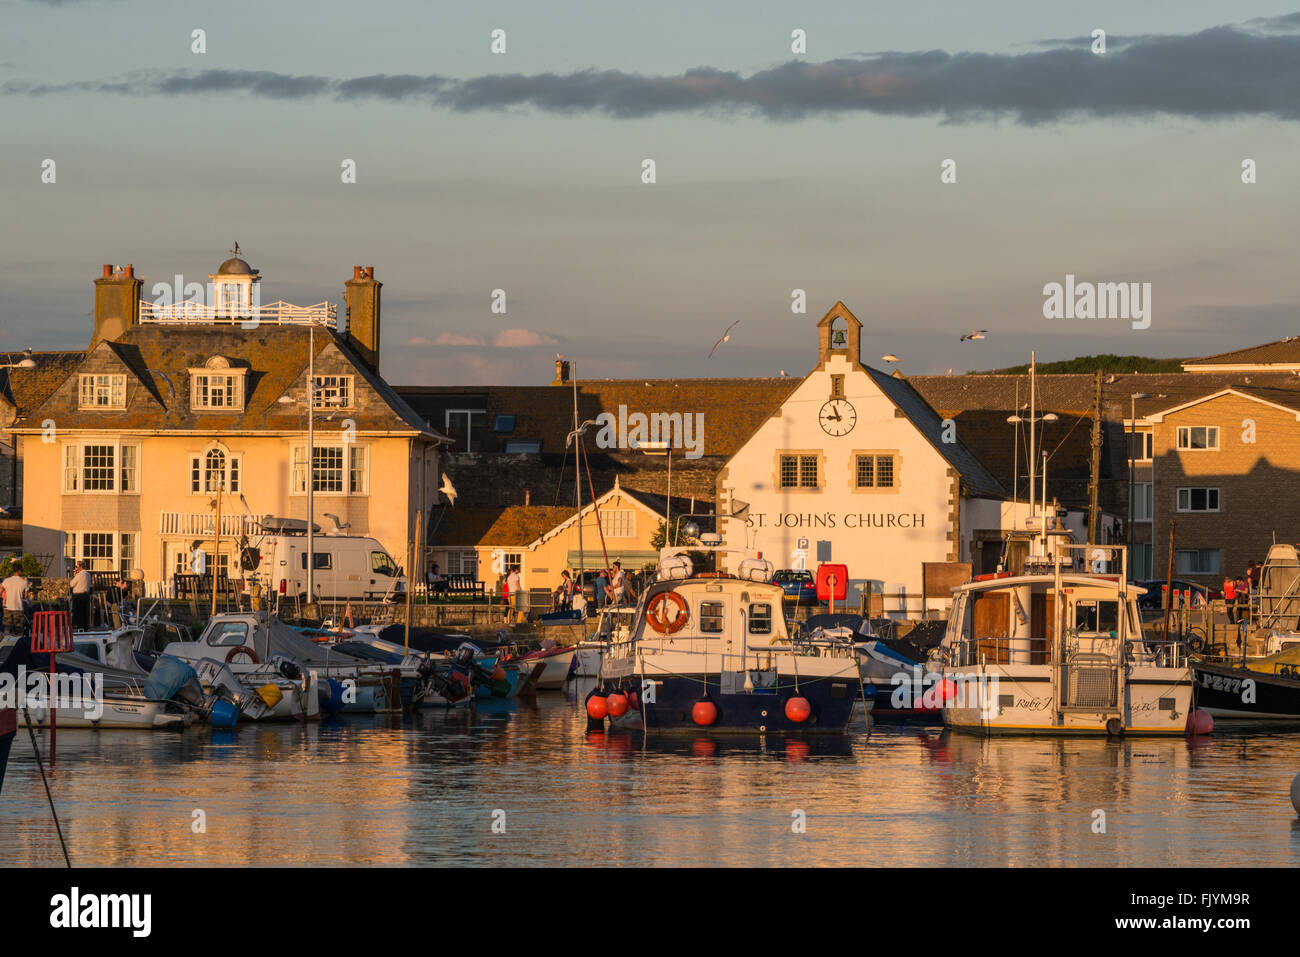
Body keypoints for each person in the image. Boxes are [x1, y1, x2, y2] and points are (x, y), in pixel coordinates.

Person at [1, 564, 29, 636]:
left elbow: (0, 591)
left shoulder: (6, 580)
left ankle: (6, 644)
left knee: (7, 629)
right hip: (18, 608)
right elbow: (25, 597)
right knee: (20, 630)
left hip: (7, 608)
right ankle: (19, 644)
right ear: (19, 571)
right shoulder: (24, 582)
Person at [70, 560, 92, 630]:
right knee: (85, 612)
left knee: (78, 612)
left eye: (76, 566)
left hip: (78, 596)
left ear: (80, 566)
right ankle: (85, 628)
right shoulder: (88, 574)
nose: (76, 568)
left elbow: (71, 584)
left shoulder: (79, 575)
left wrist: (74, 576)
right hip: (86, 595)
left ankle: (80, 627)